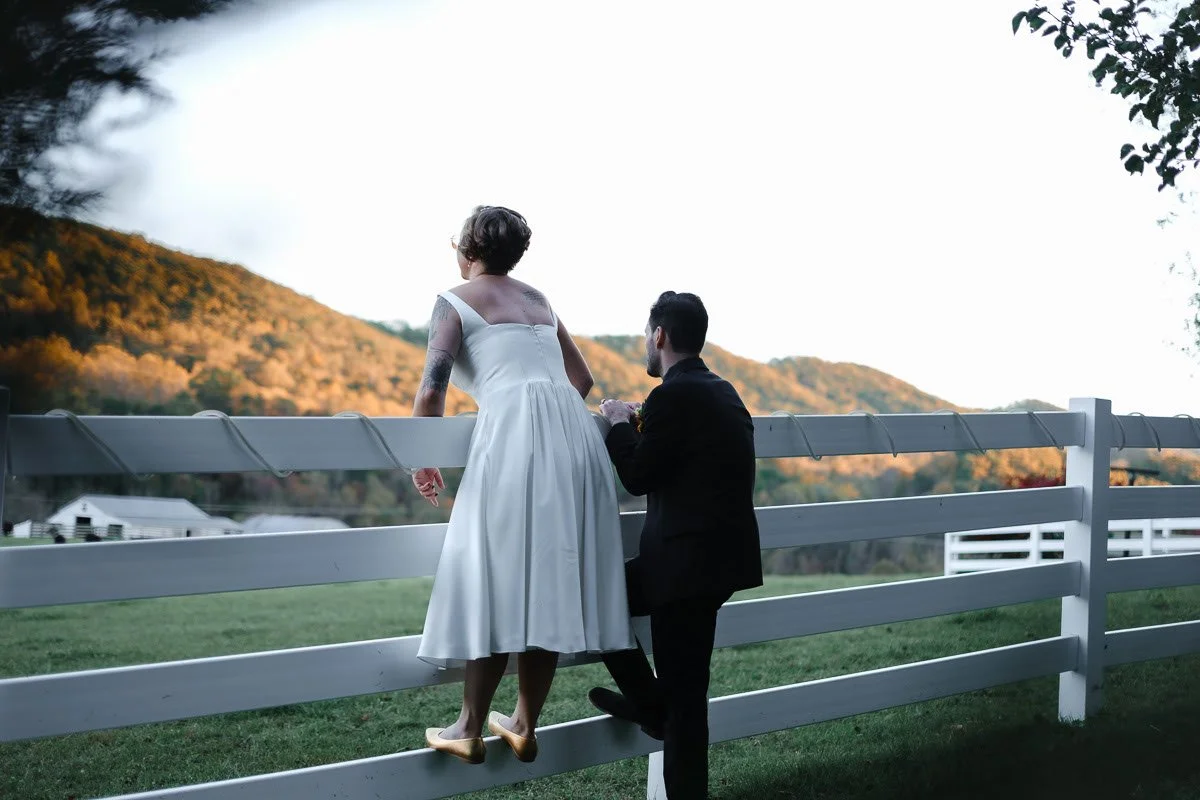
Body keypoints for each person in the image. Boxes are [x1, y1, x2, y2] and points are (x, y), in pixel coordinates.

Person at [412, 206, 635, 765]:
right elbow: (580, 379)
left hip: (514, 435)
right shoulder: (539, 299)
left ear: (467, 250)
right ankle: (524, 721)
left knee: (496, 572)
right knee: (550, 576)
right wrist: (546, 414)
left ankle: (467, 726)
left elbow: (432, 388)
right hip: (570, 440)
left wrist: (423, 456)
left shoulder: (453, 299)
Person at [593, 291, 763, 799]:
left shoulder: (674, 396)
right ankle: (653, 705)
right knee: (686, 695)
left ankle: (651, 707)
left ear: (660, 336)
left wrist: (620, 423)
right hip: (716, 563)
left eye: (648, 336)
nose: (647, 344)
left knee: (599, 602)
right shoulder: (724, 391)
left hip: (683, 568)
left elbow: (639, 476)